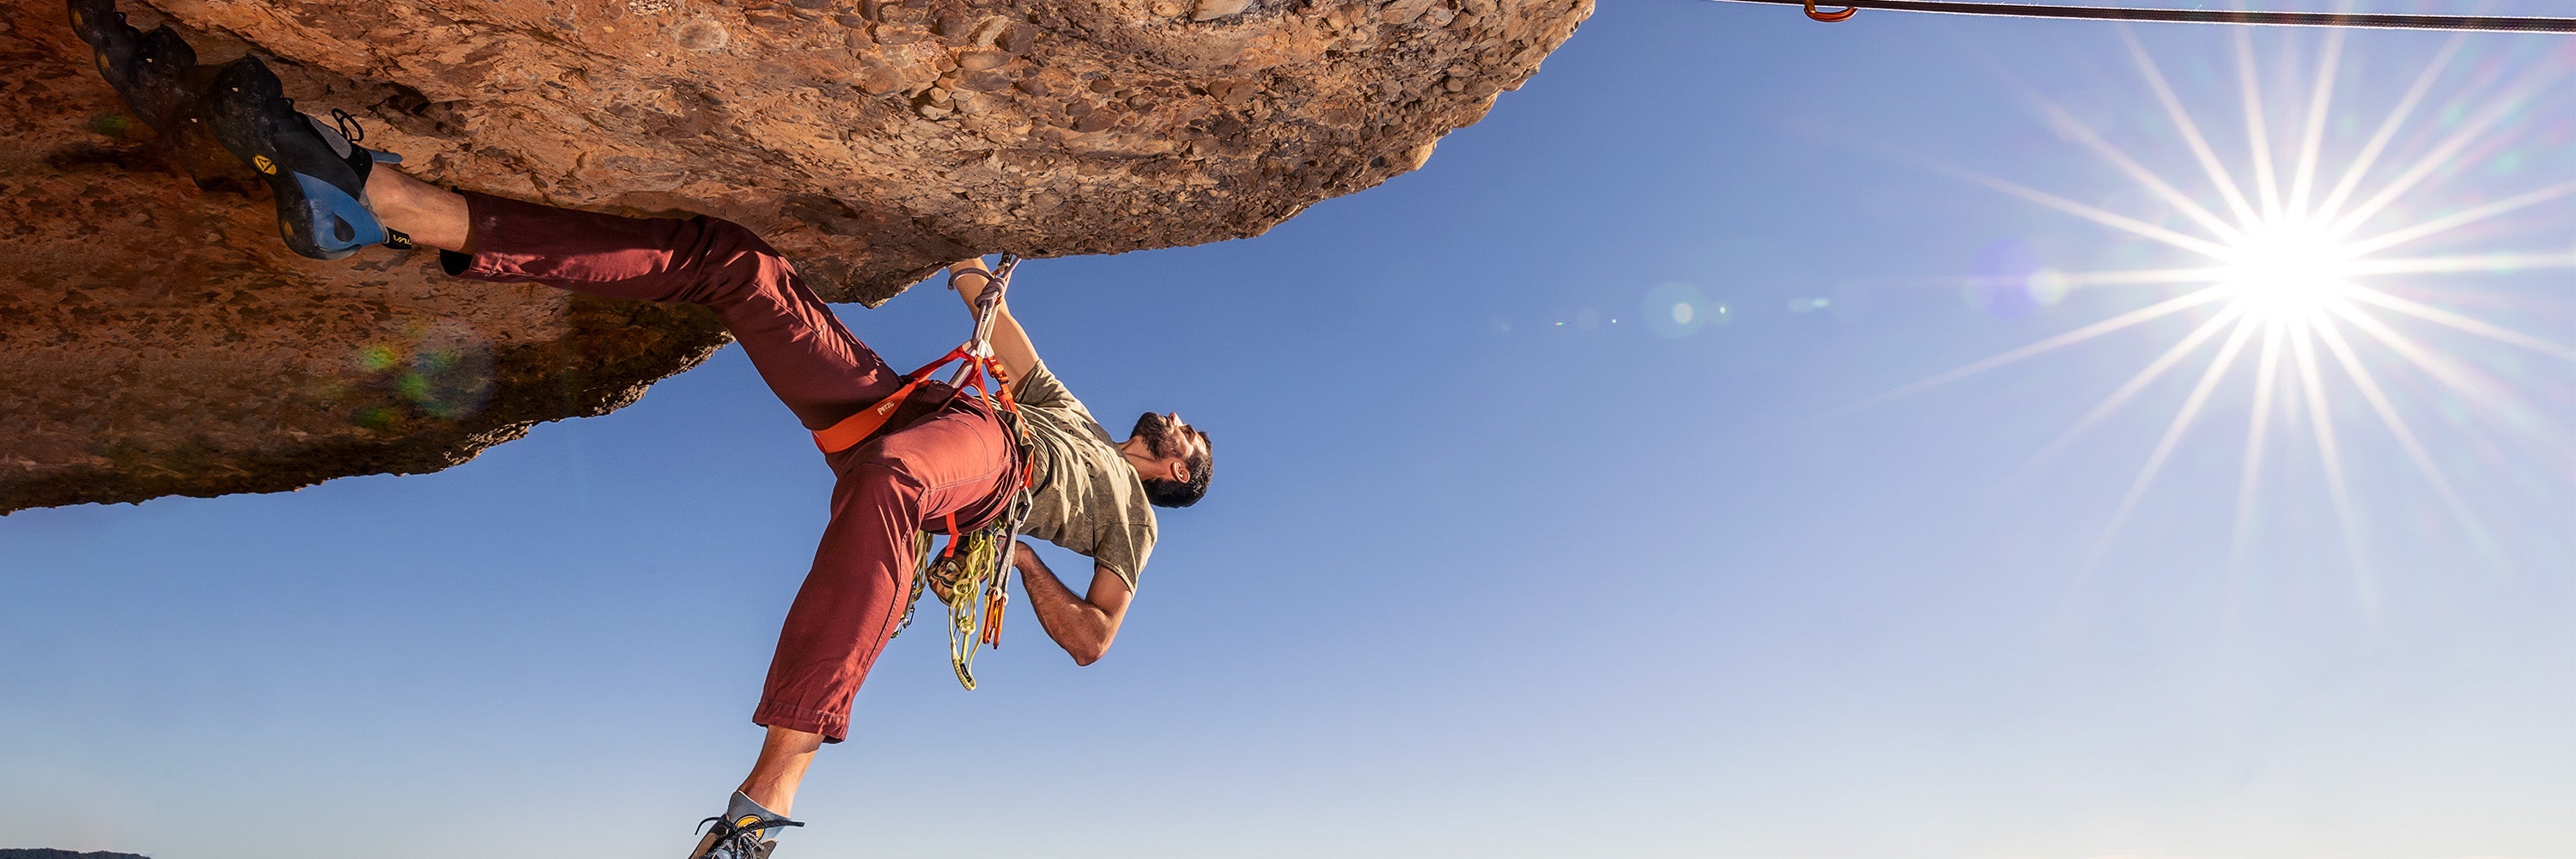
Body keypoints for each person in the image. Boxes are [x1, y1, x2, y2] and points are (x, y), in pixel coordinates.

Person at [67, 3, 1215, 857]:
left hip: (986, 470)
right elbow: (983, 297)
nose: (1181, 424)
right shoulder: (1068, 407)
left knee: (903, 488)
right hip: (926, 406)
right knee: (732, 265)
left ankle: (761, 809)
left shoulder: (1130, 524)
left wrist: (1010, 547)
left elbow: (1093, 644)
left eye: (1193, 446)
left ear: (1169, 480)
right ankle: (372, 201)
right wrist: (966, 234)